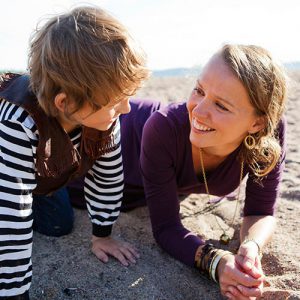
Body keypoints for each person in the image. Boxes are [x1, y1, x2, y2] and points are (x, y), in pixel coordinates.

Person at [0, 6, 148, 299]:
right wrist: (14, 292)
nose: (126, 108)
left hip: (43, 172)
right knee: (13, 215)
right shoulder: (18, 122)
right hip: (8, 169)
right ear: (66, 103)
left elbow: (108, 178)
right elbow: (12, 219)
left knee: (59, 225)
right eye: (117, 101)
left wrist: (102, 234)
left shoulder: (105, 120)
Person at [119, 44, 287, 299]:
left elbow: (261, 211)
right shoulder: (163, 129)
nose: (197, 110)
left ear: (257, 123)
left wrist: (251, 249)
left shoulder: (270, 133)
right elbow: (165, 228)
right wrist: (216, 262)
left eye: (221, 105)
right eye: (199, 90)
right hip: (106, 155)